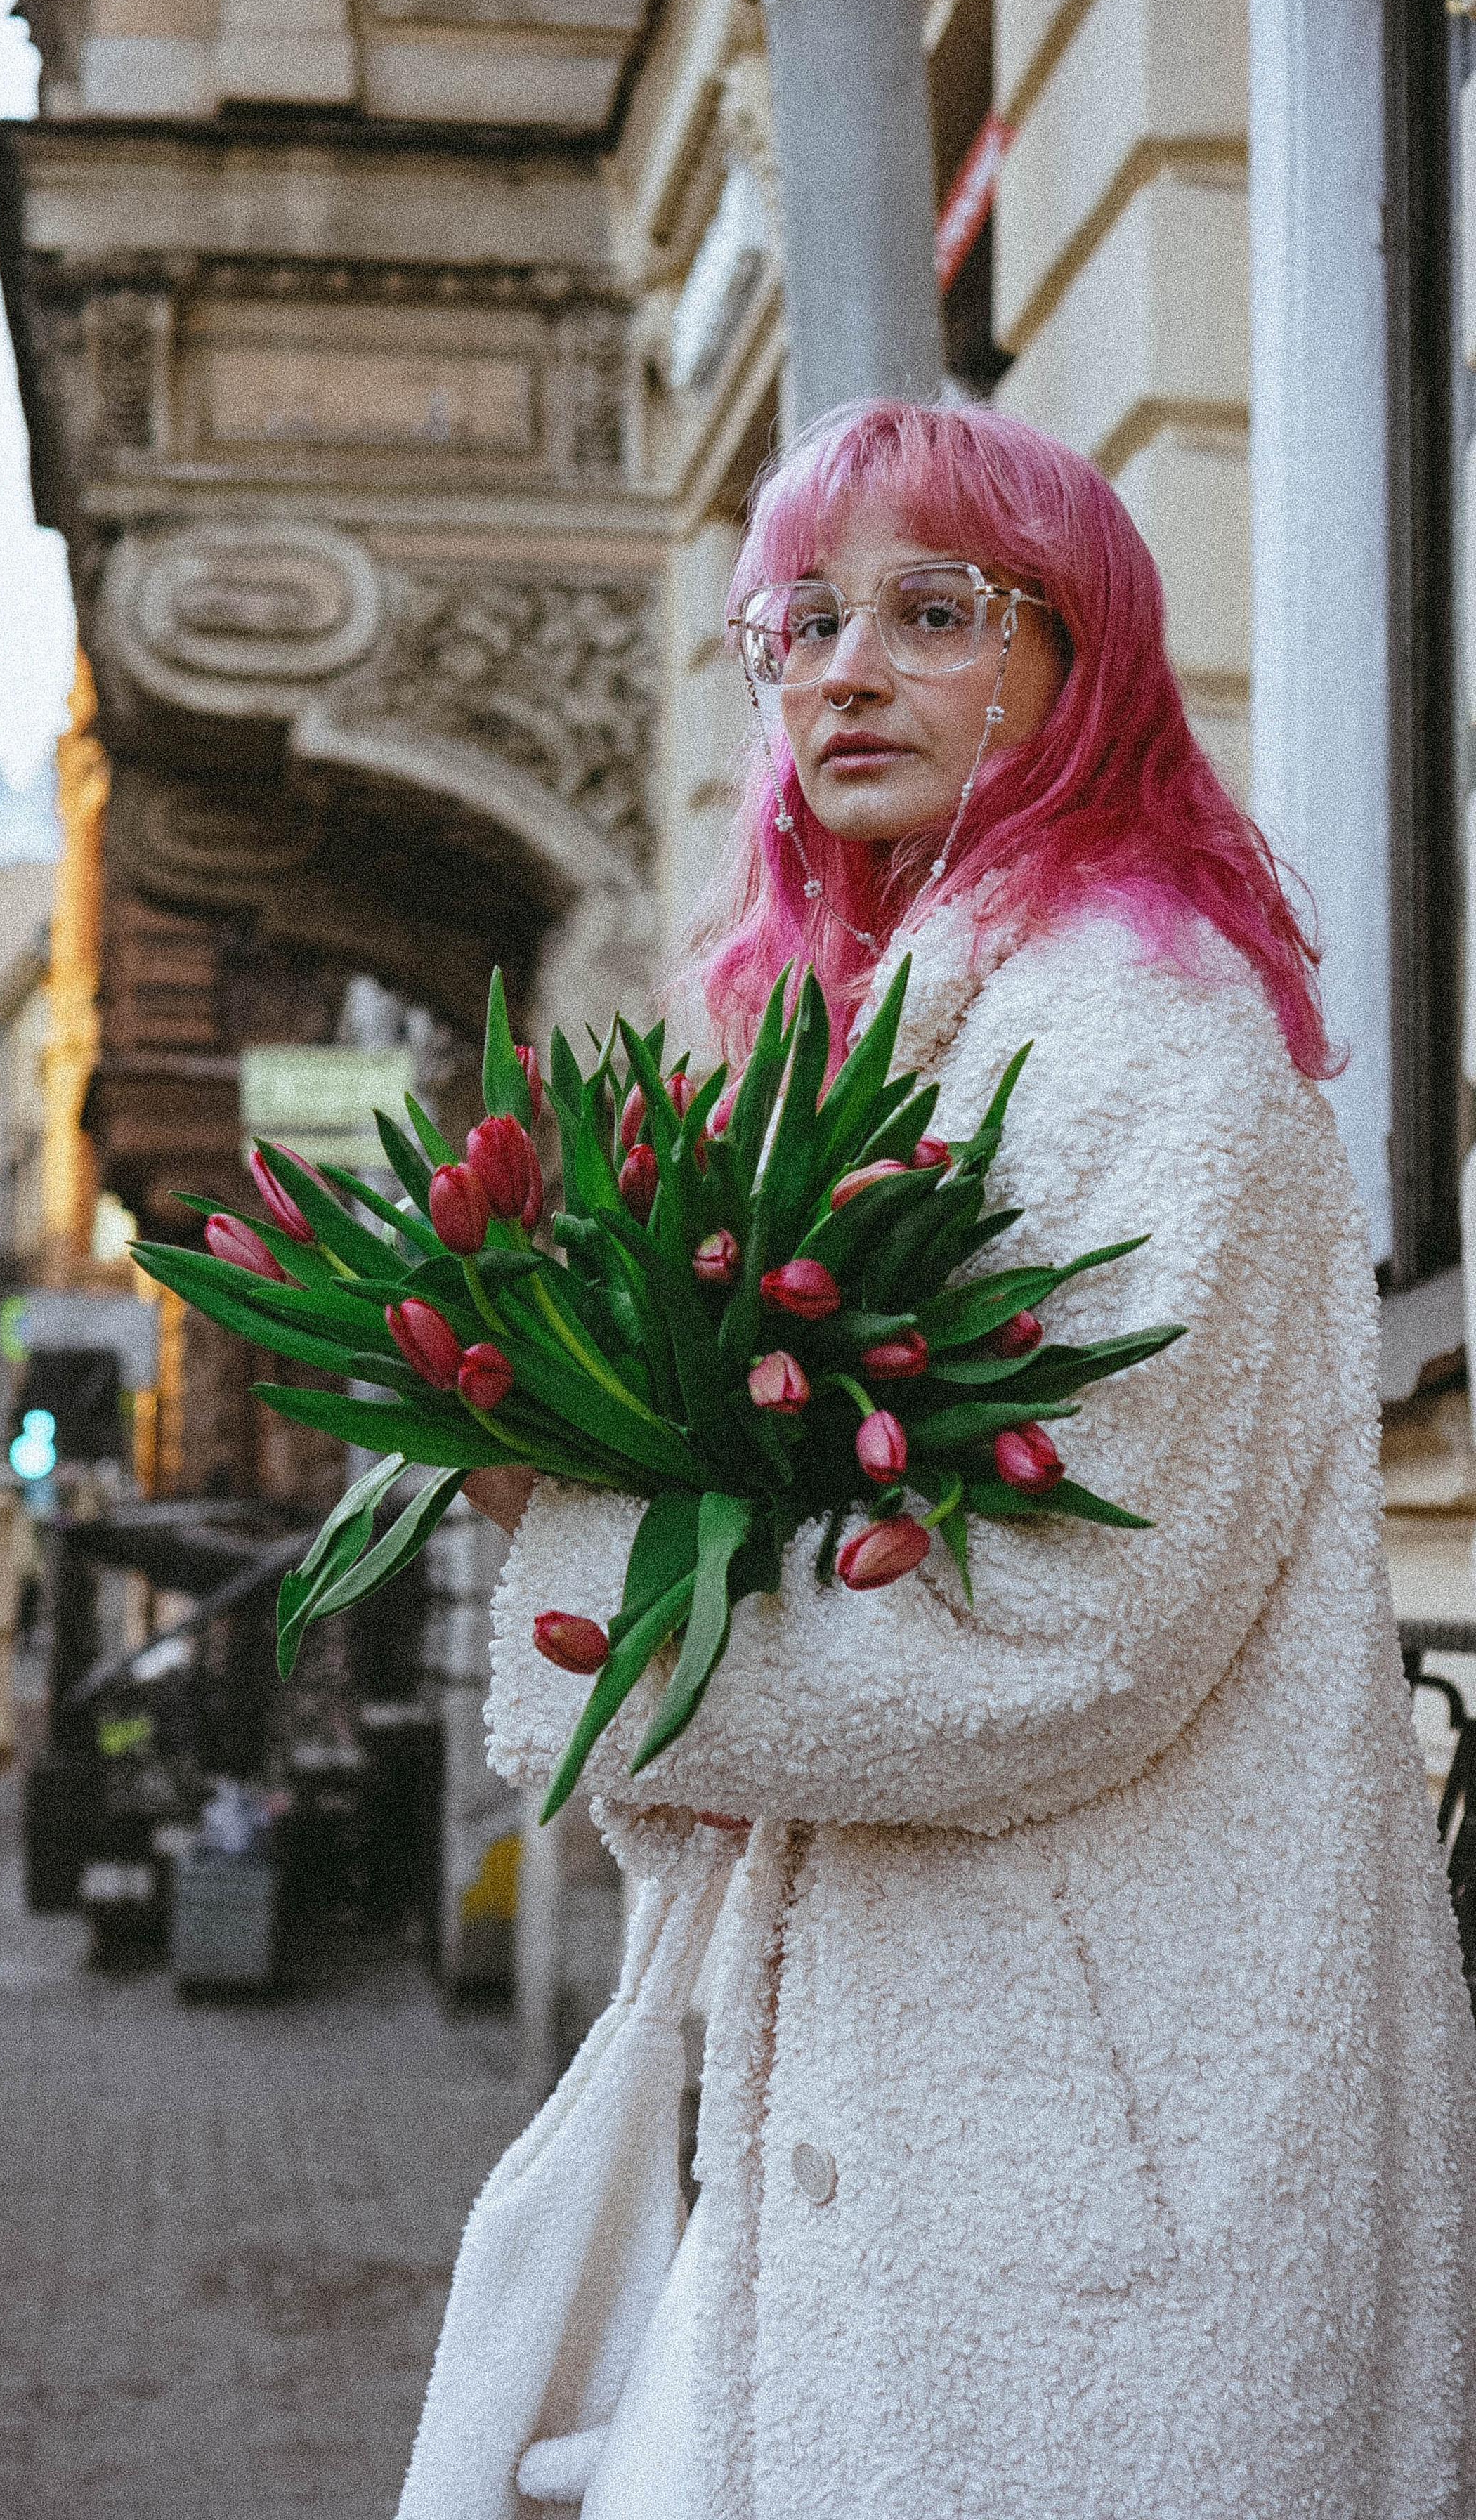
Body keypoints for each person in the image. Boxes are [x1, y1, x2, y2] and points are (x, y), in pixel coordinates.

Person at [400, 400, 1476, 2519]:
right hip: (943, 2115)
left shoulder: (1137, 1037)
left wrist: (586, 1558)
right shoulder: (926, 1030)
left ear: (1079, 662)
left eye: (933, 611)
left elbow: (1064, 1635)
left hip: (1097, 2129)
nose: (846, 670)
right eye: (798, 621)